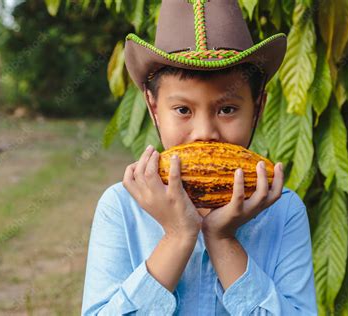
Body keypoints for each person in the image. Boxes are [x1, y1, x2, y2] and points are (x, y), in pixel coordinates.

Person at [81, 0, 317, 314]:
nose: (205, 132)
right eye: (183, 110)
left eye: (227, 109)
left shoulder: (283, 211)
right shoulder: (121, 208)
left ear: (258, 108)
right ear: (153, 108)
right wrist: (178, 237)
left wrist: (222, 239)